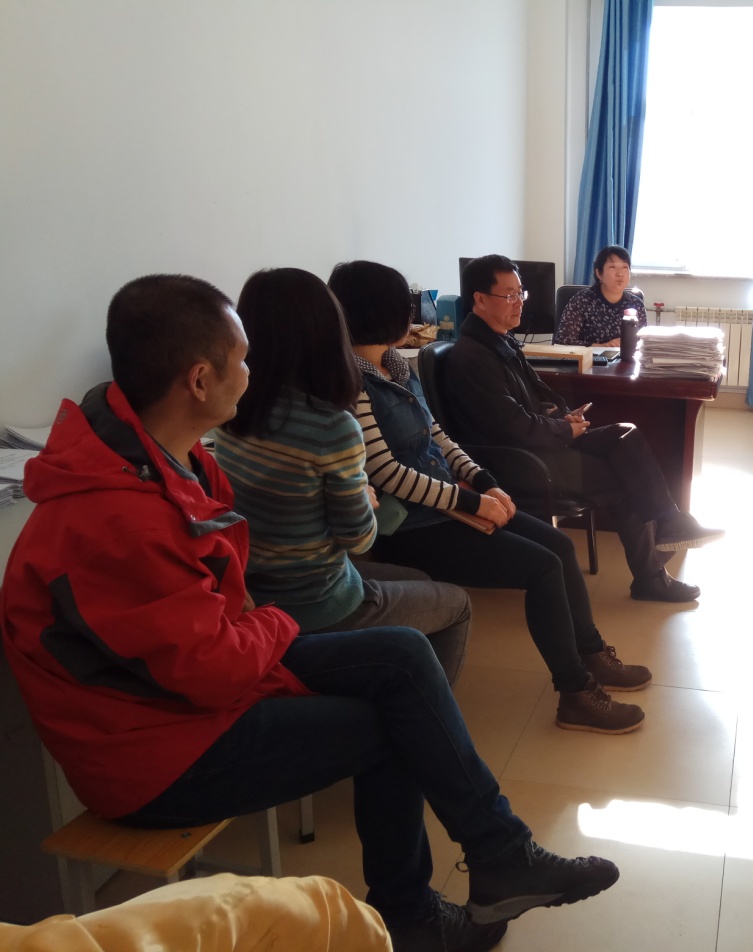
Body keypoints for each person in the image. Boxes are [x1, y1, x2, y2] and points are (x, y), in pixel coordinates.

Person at [0, 274, 620, 952]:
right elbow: (212, 667)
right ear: (200, 380)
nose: (252, 370)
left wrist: (256, 616)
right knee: (398, 725)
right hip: (156, 751)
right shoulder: (121, 516)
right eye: (241, 358)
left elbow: (221, 602)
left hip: (193, 683)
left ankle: (501, 856)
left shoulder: (169, 456)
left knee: (403, 654)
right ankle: (416, 912)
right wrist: (277, 619)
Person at [326, 260, 651, 734]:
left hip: (451, 502)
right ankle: (575, 693)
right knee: (542, 568)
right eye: (404, 306)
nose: (413, 314)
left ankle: (592, 653)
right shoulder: (351, 383)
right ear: (377, 312)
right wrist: (469, 503)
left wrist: (483, 482)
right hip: (413, 525)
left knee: (559, 547)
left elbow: (438, 437)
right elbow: (387, 473)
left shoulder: (395, 365)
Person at [214, 268, 470, 684]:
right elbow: (360, 539)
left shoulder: (230, 411)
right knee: (456, 605)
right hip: (315, 600)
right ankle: (421, 709)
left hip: (253, 587)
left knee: (417, 580)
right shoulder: (330, 424)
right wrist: (365, 497)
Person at [443, 254, 724, 602]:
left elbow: (531, 401)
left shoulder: (500, 340)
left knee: (625, 434)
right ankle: (652, 573)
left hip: (539, 442)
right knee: (624, 473)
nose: (519, 302)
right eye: (509, 295)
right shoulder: (474, 356)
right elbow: (511, 428)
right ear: (480, 299)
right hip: (519, 461)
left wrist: (561, 416)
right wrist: (563, 430)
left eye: (521, 293)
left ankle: (669, 522)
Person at [554, 245, 646, 346]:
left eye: (625, 267)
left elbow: (644, 342)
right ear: (599, 273)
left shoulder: (636, 304)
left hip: (626, 356)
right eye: (612, 267)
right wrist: (602, 347)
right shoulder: (582, 300)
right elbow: (562, 341)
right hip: (589, 356)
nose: (620, 273)